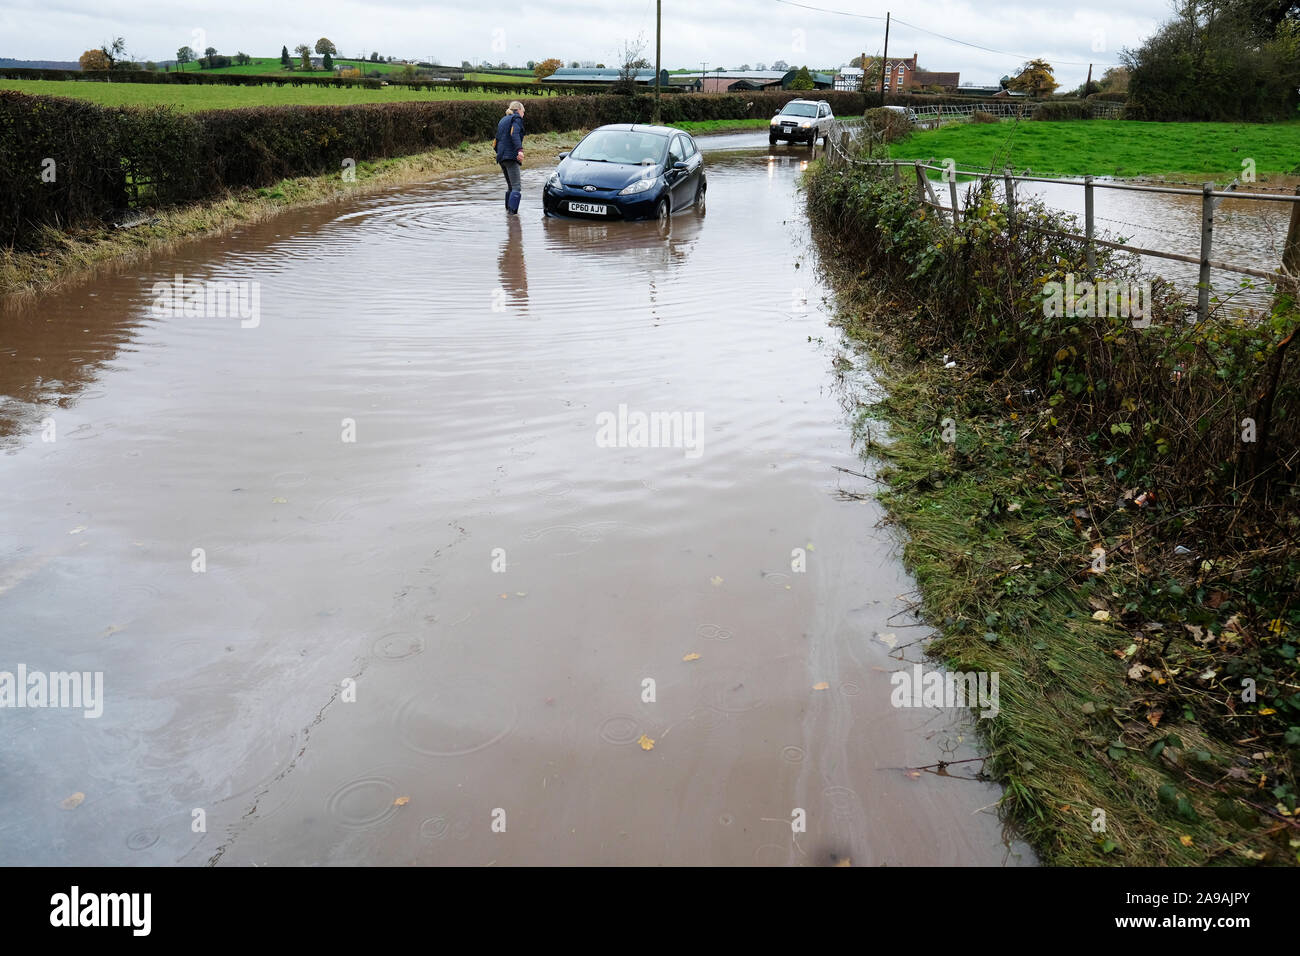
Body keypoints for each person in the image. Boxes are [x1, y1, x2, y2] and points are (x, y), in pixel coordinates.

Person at [494, 101, 526, 214]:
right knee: (516, 187)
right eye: (523, 112)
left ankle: (508, 214)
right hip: (511, 157)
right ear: (518, 110)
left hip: (501, 157)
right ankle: (513, 217)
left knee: (511, 187)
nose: (524, 114)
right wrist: (519, 150)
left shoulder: (503, 120)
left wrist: (499, 153)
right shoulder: (516, 119)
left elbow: (496, 140)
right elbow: (515, 134)